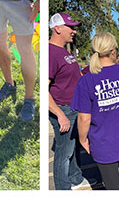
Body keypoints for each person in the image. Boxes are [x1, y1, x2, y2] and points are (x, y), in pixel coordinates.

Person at [71, 32, 119, 190]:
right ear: (113, 51)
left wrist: (82, 139)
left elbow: (83, 119)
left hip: (104, 143)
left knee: (112, 184)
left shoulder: (86, 80)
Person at [48, 12, 88, 190]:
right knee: (63, 154)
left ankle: (76, 178)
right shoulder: (51, 52)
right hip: (64, 110)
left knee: (71, 149)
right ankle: (62, 189)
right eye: (70, 27)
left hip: (73, 108)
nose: (74, 31)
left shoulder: (64, 51)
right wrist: (60, 115)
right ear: (57, 28)